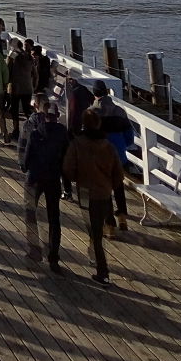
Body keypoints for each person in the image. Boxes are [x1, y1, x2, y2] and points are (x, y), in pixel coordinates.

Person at [63, 108, 124, 285]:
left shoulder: (77, 143)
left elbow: (68, 168)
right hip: (104, 192)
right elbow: (118, 174)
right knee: (98, 227)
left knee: (94, 232)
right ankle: (97, 252)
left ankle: (102, 271)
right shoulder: (108, 146)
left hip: (85, 191)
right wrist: (108, 186)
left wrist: (78, 178)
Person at [17, 94, 69, 273]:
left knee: (30, 213)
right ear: (56, 116)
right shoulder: (62, 132)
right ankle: (53, 257)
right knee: (54, 217)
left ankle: (34, 251)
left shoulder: (32, 128)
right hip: (53, 178)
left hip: (34, 178)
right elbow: (66, 155)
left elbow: (24, 150)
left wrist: (24, 167)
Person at [92, 82, 134, 233]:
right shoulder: (120, 111)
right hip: (119, 157)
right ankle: (122, 216)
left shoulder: (92, 113)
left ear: (94, 94)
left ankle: (109, 226)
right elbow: (130, 137)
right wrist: (122, 146)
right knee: (118, 187)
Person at [7, 38, 35, 136]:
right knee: (27, 110)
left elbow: (7, 71)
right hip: (27, 87)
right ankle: (32, 129)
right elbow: (35, 74)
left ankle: (16, 131)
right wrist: (33, 85)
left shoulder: (13, 56)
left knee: (14, 110)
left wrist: (5, 83)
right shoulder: (29, 57)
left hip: (15, 87)